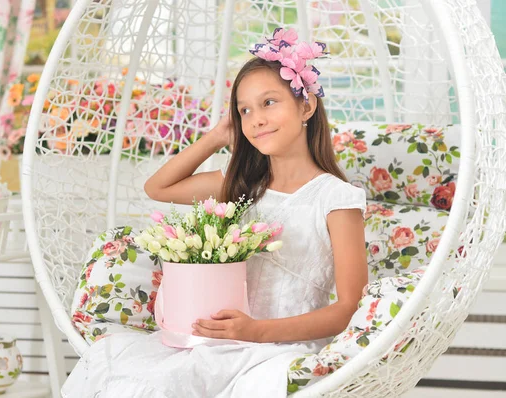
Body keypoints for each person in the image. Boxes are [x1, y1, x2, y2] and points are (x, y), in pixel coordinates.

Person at [62, 27, 367, 398]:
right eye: (244, 110)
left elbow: (350, 307)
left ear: (306, 105)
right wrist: (217, 136)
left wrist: (256, 331)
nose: (255, 119)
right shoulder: (242, 185)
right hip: (218, 341)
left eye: (269, 102)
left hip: (279, 346)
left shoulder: (336, 198)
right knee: (128, 371)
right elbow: (158, 187)